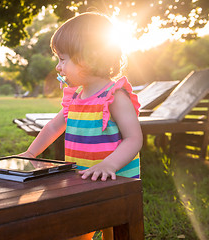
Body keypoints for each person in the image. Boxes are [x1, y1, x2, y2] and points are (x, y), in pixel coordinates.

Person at [19, 12, 142, 240]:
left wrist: (109, 165)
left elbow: (134, 138)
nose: (58, 67)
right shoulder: (74, 97)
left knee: (115, 230)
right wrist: (30, 153)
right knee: (76, 229)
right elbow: (52, 128)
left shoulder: (114, 96)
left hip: (114, 183)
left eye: (63, 59)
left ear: (87, 59)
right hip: (82, 180)